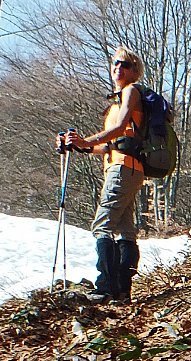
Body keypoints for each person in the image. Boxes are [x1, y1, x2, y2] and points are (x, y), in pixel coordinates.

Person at [58, 46, 147, 303]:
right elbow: (111, 144)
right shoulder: (117, 102)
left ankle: (106, 286)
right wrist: (80, 146)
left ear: (134, 71)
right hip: (127, 167)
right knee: (125, 229)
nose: (118, 68)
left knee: (102, 224)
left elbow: (119, 129)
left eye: (124, 64)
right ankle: (122, 289)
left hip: (123, 169)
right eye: (115, 64)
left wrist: (85, 141)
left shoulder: (131, 91)